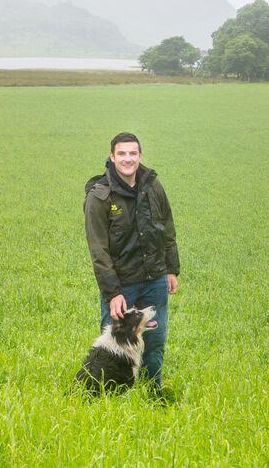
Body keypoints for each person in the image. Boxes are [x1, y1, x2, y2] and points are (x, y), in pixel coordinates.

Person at [83, 132, 180, 391]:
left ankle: (152, 393)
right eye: (122, 154)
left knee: (155, 341)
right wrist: (112, 293)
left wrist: (171, 268)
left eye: (133, 153)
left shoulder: (152, 186)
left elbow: (167, 227)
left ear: (140, 156)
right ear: (112, 157)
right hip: (122, 286)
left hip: (154, 280)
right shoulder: (99, 196)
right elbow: (98, 250)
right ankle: (108, 400)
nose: (128, 159)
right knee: (113, 350)